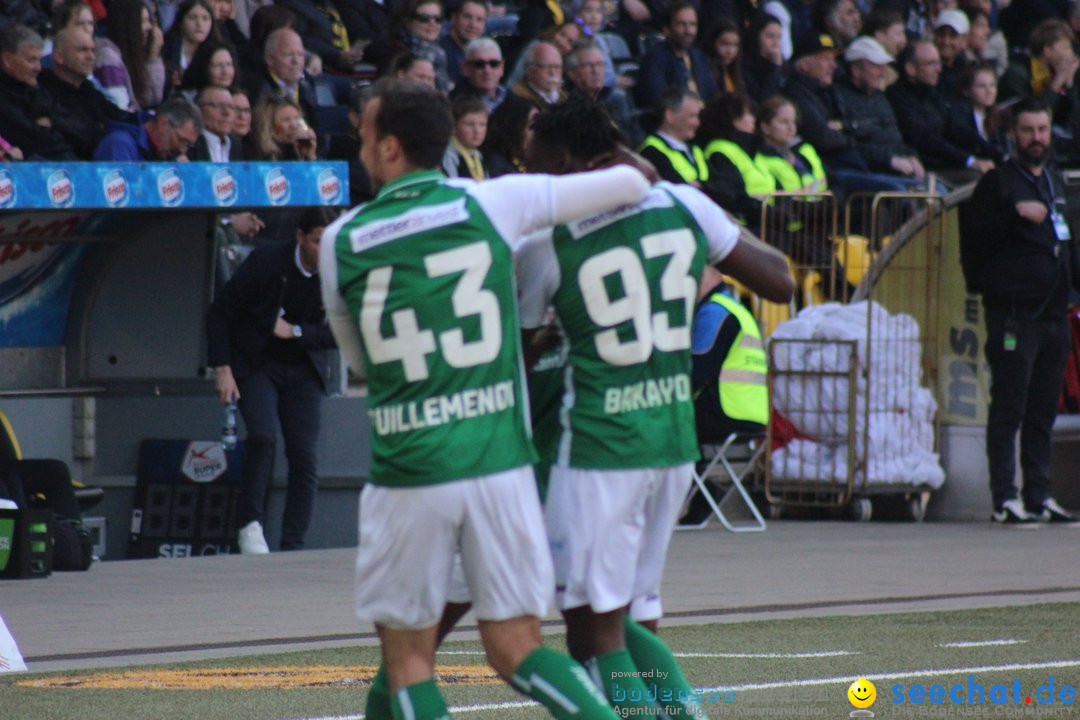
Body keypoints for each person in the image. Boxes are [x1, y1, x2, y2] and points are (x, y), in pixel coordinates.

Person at [319, 79, 651, 720]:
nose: (360, 147)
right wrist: (593, 130)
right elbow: (638, 181)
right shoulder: (497, 202)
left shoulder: (342, 240)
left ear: (389, 147)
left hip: (412, 468)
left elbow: (361, 361)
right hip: (507, 462)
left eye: (364, 136)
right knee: (523, 647)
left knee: (409, 661)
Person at [517, 96, 793, 717]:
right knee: (638, 612)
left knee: (592, 629)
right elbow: (780, 281)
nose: (530, 181)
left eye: (535, 167)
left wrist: (553, 337)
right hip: (672, 440)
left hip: (597, 447)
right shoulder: (684, 204)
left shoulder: (545, 241)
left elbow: (523, 357)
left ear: (563, 163)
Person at [961, 97, 1079, 526]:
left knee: (1044, 409)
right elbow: (974, 241)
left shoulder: (1053, 182)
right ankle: (1004, 497)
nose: (1036, 139)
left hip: (1054, 315)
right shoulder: (998, 185)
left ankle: (1040, 493)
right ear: (1013, 134)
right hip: (1015, 315)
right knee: (1009, 406)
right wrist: (1013, 215)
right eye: (1028, 130)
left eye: (1043, 130)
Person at [207, 206, 341, 553]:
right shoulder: (268, 262)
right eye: (317, 242)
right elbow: (220, 312)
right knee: (263, 436)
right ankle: (250, 525)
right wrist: (222, 369)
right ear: (299, 237)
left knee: (304, 454)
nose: (324, 252)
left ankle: (293, 542)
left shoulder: (338, 272)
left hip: (303, 367)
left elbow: (340, 333)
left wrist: (295, 331)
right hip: (258, 362)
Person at [886, 39, 994, 182]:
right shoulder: (897, 97)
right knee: (981, 179)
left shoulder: (932, 95)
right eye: (932, 64)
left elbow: (957, 129)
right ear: (910, 69)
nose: (939, 69)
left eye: (938, 63)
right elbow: (925, 139)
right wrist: (969, 161)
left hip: (944, 164)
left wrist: (995, 153)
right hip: (922, 169)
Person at [0, 24, 78, 160]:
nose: (38, 68)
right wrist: (50, 129)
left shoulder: (38, 90)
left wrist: (51, 121)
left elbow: (77, 131)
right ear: (7, 59)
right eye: (31, 60)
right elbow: (34, 140)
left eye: (39, 60)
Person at [636, 3, 718, 112]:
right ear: (666, 30)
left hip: (706, 120)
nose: (689, 31)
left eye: (693, 24)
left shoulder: (700, 58)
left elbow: (714, 96)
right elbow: (659, 101)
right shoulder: (655, 59)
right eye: (681, 24)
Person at [94, 0, 166, 112]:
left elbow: (150, 98)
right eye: (143, 21)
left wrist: (153, 57)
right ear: (127, 24)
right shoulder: (108, 58)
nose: (149, 27)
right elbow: (121, 110)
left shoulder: (133, 55)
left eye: (149, 21)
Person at [93, 94, 203, 160]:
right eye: (181, 140)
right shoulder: (121, 144)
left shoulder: (165, 155)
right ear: (163, 124)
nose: (183, 150)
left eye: (188, 144)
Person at [250, 94, 317, 160]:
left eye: (296, 119)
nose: (294, 126)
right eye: (286, 120)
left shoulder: (298, 149)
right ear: (270, 126)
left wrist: (310, 156)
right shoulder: (258, 154)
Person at [449, 37, 507, 112]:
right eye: (479, 64)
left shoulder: (518, 103)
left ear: (502, 67)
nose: (487, 70)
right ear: (466, 68)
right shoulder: (453, 104)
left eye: (494, 64)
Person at [189, 84, 244, 160]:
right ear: (198, 110)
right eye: (217, 105)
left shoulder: (236, 145)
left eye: (231, 106)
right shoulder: (189, 144)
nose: (226, 112)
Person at [440, 0, 487, 86]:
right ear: (454, 18)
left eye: (479, 20)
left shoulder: (484, 55)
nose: (473, 25)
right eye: (467, 17)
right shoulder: (441, 51)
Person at [442, 93, 489, 179]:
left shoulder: (477, 155)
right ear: (454, 126)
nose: (477, 131)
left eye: (482, 125)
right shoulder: (449, 154)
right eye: (469, 124)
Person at [511, 41, 566, 107]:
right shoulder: (518, 98)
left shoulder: (564, 98)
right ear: (529, 70)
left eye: (557, 67)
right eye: (546, 67)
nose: (553, 73)